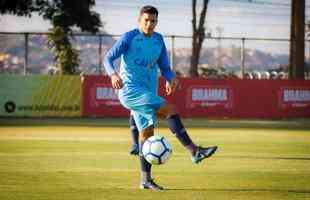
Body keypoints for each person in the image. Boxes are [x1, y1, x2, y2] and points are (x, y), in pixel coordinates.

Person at [104, 5, 218, 191]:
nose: (149, 24)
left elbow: (165, 67)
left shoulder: (158, 40)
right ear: (139, 20)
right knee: (170, 109)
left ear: (157, 22)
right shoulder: (129, 37)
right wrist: (113, 75)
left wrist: (171, 78)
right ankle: (194, 151)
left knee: (147, 136)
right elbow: (108, 59)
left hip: (148, 90)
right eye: (146, 20)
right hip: (130, 91)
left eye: (153, 21)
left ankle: (145, 180)